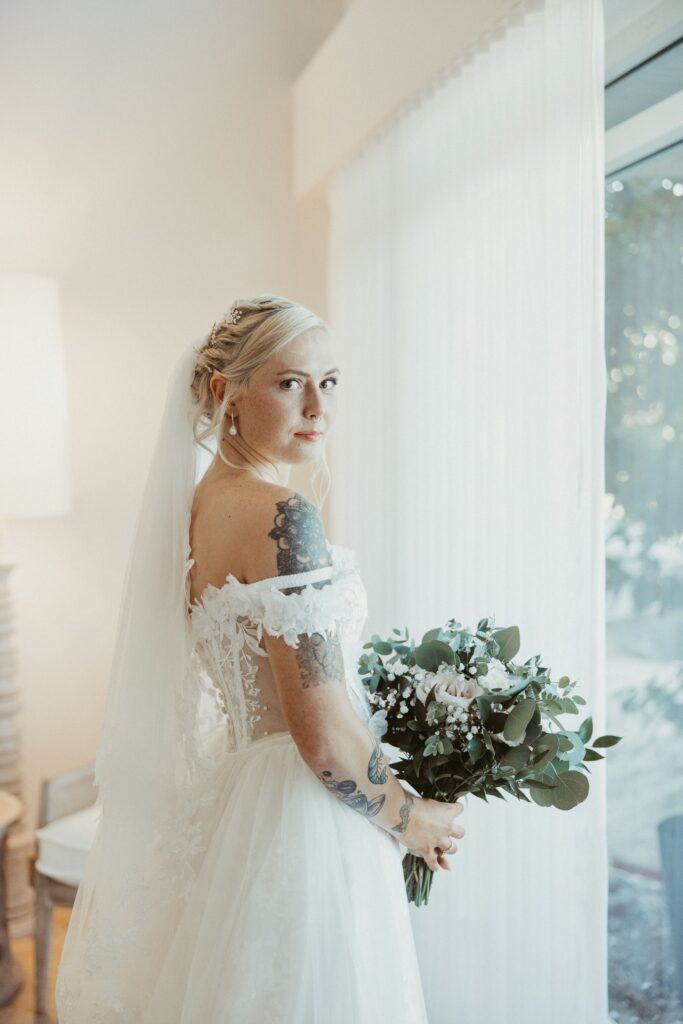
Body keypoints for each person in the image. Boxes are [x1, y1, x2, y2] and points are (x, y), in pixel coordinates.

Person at [55, 294, 466, 1023]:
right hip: (303, 819)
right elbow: (324, 737)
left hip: (245, 805)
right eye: (289, 382)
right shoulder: (282, 515)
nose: (318, 405)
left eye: (330, 381)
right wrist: (413, 820)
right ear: (225, 393)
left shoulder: (199, 510)